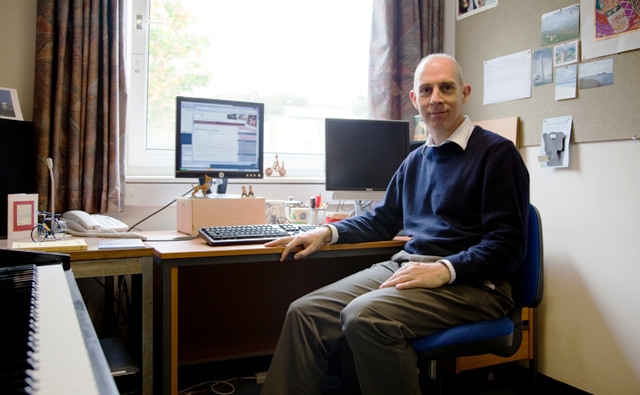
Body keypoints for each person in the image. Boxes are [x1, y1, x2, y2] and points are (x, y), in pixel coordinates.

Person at [260, 53, 530, 394]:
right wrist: (327, 232)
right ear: (415, 100)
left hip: (474, 283)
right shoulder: (415, 160)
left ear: (464, 93)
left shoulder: (497, 154)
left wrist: (444, 269)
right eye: (427, 90)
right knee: (306, 313)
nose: (436, 98)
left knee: (365, 316)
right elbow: (380, 220)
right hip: (409, 267)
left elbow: (508, 244)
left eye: (446, 87)